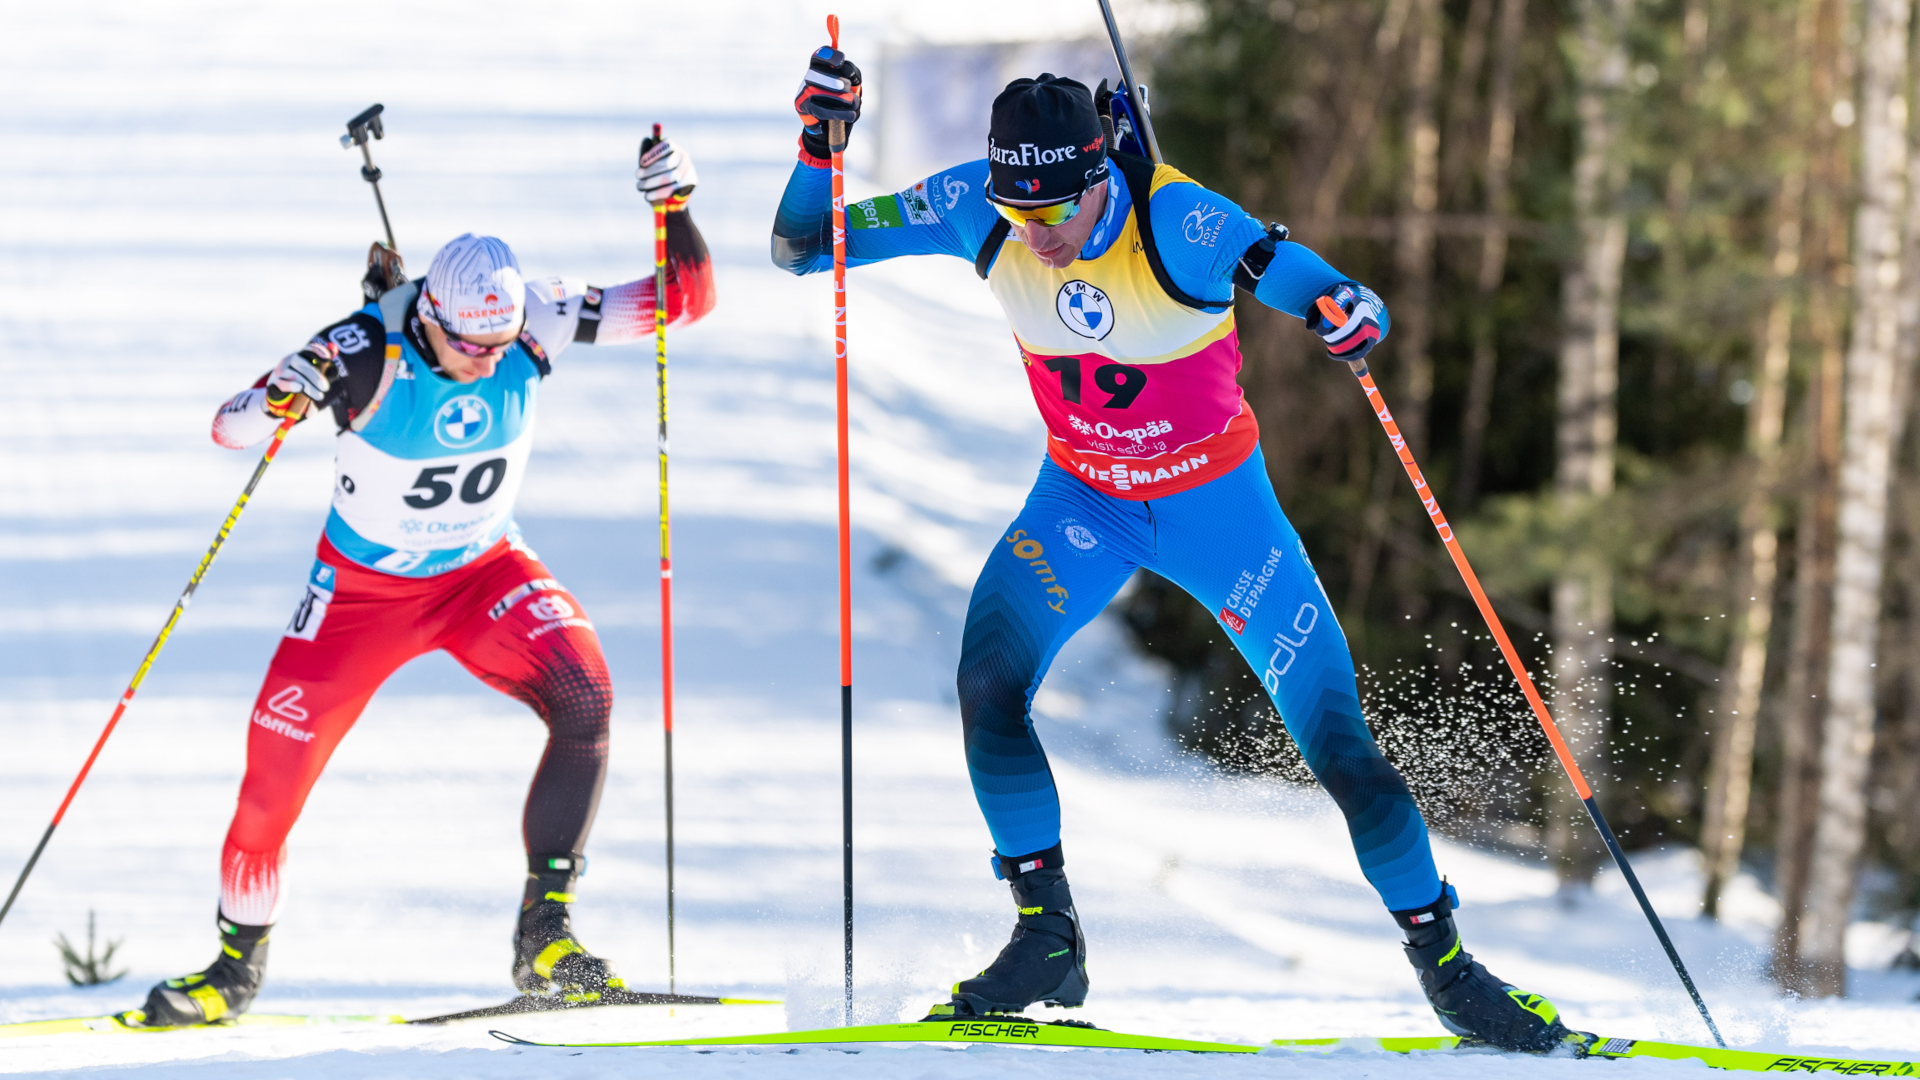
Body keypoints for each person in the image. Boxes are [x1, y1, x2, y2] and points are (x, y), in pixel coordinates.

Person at [775, 53, 1580, 1053]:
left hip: (1218, 514)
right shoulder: (975, 209)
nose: (1040, 237)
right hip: (1084, 504)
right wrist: (820, 146)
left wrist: (1341, 304)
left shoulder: (1174, 219)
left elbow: (1284, 268)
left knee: (1344, 754)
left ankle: (1452, 973)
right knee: (989, 685)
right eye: (1018, 215)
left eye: (1058, 213)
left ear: (1102, 172)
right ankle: (1047, 938)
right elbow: (804, 247)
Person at [136, 135, 715, 1027]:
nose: (489, 362)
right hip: (360, 596)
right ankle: (232, 970)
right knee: (270, 785)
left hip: (482, 572)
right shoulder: (361, 349)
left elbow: (683, 301)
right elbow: (229, 429)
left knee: (586, 692)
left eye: (500, 344)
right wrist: (284, 391)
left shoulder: (535, 317)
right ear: (428, 318)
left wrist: (673, 210)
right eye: (469, 347)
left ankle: (546, 935)